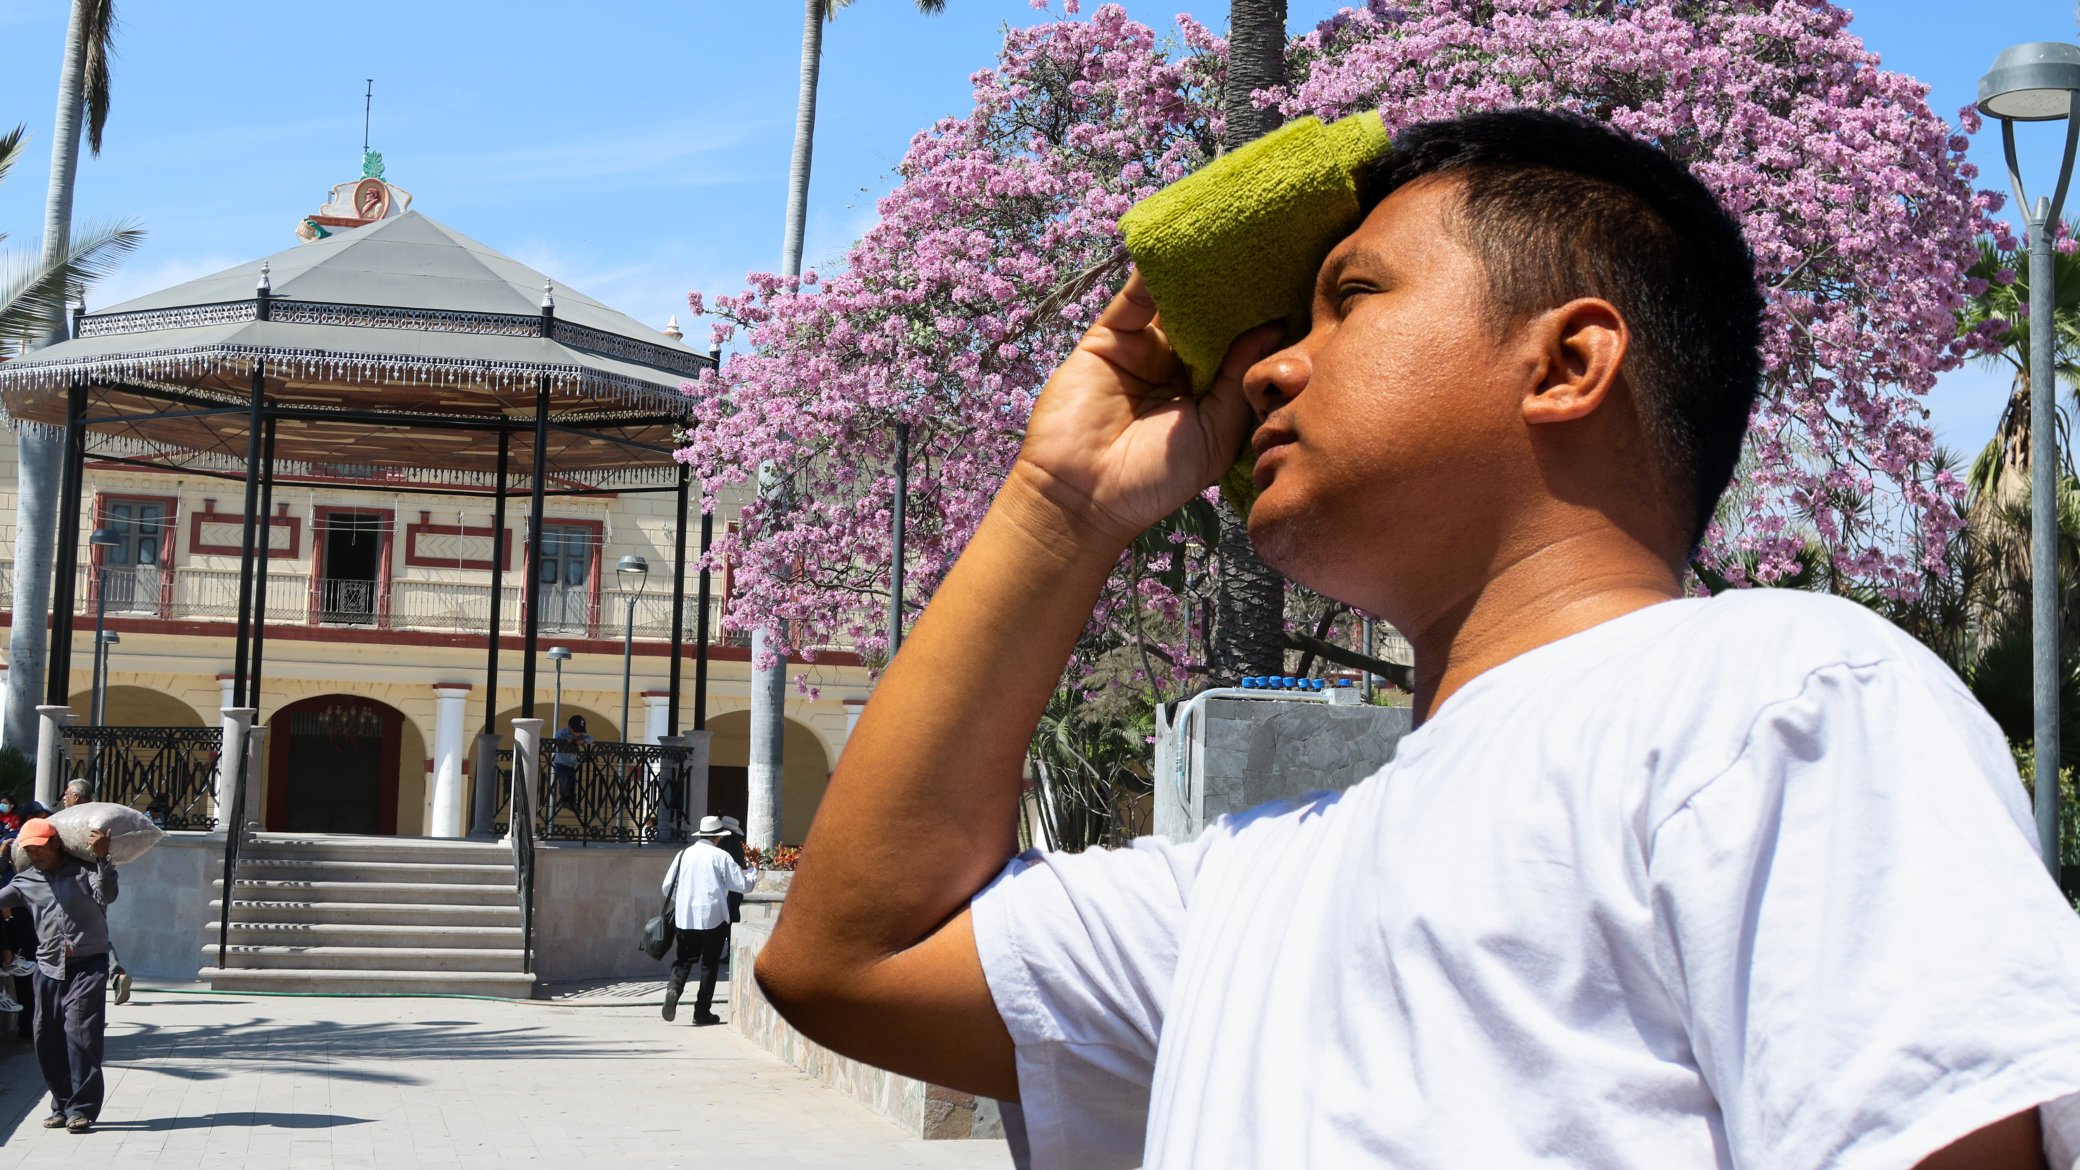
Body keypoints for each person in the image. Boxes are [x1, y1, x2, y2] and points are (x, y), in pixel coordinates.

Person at [751, 108, 2080, 1170]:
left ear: (1567, 364)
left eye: (1351, 298)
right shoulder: (1253, 885)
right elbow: (845, 958)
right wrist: (1060, 508)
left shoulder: (1779, 697)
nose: (1268, 366)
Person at [1, 817, 116, 1133]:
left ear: (54, 843)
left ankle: (82, 1108)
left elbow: (107, 895)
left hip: (88, 964)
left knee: (81, 1034)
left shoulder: (85, 870)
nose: (35, 854)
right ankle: (62, 1104)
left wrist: (103, 857)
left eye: (39, 847)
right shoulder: (25, 881)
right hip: (49, 968)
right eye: (29, 850)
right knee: (46, 1039)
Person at [659, 815, 752, 1027]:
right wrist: (753, 875)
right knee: (709, 965)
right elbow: (741, 885)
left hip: (685, 918)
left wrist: (684, 901)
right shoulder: (721, 856)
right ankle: (701, 1012)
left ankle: (674, 988)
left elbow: (667, 887)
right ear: (718, 838)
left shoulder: (683, 854)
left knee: (683, 960)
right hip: (714, 917)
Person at [58, 781, 129, 1007]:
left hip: (80, 882)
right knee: (97, 928)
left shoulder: (76, 821)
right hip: (98, 878)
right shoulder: (99, 817)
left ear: (77, 797)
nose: (64, 799)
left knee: (93, 931)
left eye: (67, 794)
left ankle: (114, 973)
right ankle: (116, 975)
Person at [550, 715, 589, 817]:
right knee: (564, 780)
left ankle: (571, 801)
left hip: (571, 764)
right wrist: (567, 740)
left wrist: (581, 740)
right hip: (561, 763)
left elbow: (590, 738)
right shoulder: (563, 732)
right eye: (576, 730)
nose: (578, 733)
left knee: (572, 781)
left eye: (580, 731)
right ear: (570, 727)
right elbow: (558, 738)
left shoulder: (580, 736)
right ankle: (565, 800)